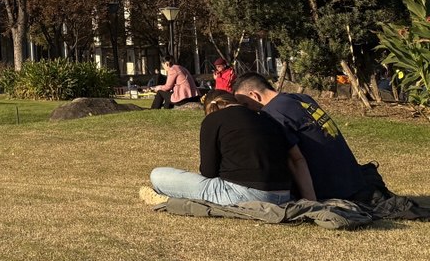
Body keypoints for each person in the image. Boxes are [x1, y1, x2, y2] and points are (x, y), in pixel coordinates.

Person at [146, 91, 315, 207]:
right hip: (284, 194)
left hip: (243, 194)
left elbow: (208, 172)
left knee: (157, 175)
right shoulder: (267, 118)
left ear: (210, 109)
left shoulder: (212, 120)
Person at [233, 73, 370, 201]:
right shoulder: (302, 98)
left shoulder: (271, 114)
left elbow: (296, 160)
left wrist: (311, 203)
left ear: (254, 95)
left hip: (330, 191)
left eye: (245, 104)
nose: (247, 110)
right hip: (354, 180)